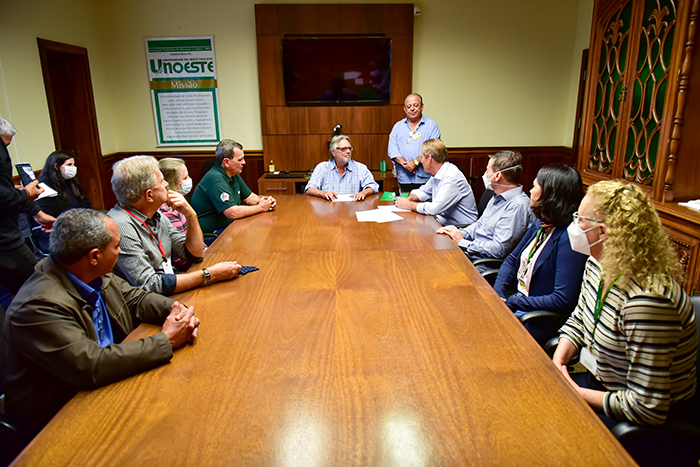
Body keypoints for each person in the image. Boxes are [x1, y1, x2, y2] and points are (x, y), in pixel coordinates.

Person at [3, 209, 200, 435]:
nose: (121, 250)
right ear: (94, 256)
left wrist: (176, 311)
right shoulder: (37, 306)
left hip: (110, 383)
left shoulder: (90, 271)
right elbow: (91, 365)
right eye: (116, 246)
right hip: (62, 419)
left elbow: (136, 298)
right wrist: (167, 340)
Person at [553, 180, 697, 428]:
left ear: (603, 232)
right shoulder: (597, 264)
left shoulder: (647, 300)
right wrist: (558, 363)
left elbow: (646, 408)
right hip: (598, 384)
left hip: (645, 424)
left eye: (580, 219)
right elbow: (579, 320)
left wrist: (574, 391)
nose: (574, 225)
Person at [108, 155, 240, 295]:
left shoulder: (157, 215)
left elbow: (194, 254)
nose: (166, 184)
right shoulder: (120, 226)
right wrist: (210, 274)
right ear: (149, 196)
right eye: (161, 181)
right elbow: (150, 285)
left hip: (168, 289)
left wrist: (191, 215)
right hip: (147, 303)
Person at [492, 164, 587, 345]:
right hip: (518, 303)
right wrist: (497, 293)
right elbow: (511, 260)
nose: (530, 189)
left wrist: (512, 303)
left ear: (549, 195)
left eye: (535, 186)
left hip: (536, 319)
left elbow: (561, 300)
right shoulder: (542, 223)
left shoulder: (568, 238)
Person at [437, 150, 532, 267]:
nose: (485, 175)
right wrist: (456, 233)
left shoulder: (517, 206)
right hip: (471, 253)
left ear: (497, 176)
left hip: (482, 264)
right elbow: (479, 226)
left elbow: (499, 249)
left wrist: (462, 242)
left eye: (487, 171)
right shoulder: (496, 196)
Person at [0, 117, 54, 296]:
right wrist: (25, 194)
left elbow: (6, 192)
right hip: (6, 244)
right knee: (40, 292)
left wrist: (36, 212)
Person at [191, 139, 276, 233]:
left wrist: (266, 201)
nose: (244, 162)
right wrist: (261, 207)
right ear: (226, 162)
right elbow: (232, 213)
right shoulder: (215, 178)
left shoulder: (233, 174)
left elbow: (250, 198)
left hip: (230, 226)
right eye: (240, 159)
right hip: (212, 234)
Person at [394, 138, 477, 226]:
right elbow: (424, 191)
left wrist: (409, 205)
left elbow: (434, 209)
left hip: (462, 228)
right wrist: (409, 199)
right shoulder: (438, 173)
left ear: (429, 159)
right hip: (443, 221)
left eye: (422, 157)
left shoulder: (452, 177)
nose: (421, 161)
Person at [34, 150, 92, 252]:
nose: (73, 168)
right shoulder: (42, 187)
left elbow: (86, 205)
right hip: (55, 233)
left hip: (77, 227)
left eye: (74, 164)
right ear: (56, 166)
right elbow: (47, 219)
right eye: (69, 164)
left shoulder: (72, 182)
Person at [387, 93, 441, 192]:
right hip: (404, 178)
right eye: (409, 106)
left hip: (426, 178)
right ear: (405, 109)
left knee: (425, 206)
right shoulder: (397, 127)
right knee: (405, 206)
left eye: (416, 105)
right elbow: (392, 150)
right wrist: (407, 165)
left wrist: (415, 162)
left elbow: (433, 149)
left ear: (422, 107)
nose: (412, 109)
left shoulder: (431, 125)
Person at [305, 134, 379, 201]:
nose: (348, 151)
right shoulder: (322, 167)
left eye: (350, 148)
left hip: (353, 209)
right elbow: (309, 188)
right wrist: (323, 193)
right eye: (343, 149)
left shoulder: (360, 168)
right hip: (328, 210)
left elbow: (373, 186)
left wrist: (363, 193)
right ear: (333, 152)